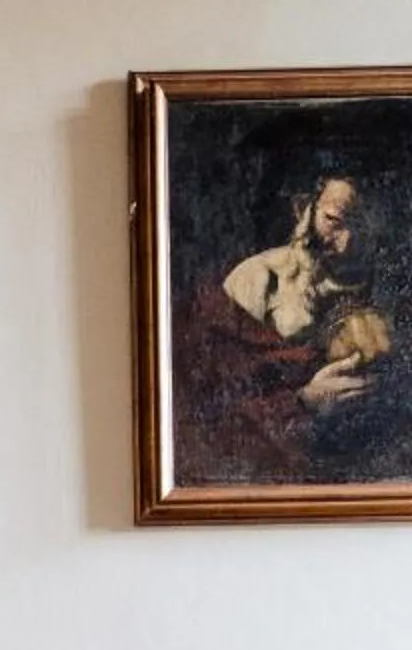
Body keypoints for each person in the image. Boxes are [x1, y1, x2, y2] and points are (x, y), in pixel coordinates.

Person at [175, 171, 410, 486]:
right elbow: (214, 406)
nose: (346, 244)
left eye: (364, 227)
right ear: (304, 210)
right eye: (334, 221)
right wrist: (306, 401)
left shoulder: (382, 291)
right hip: (270, 465)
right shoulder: (259, 280)